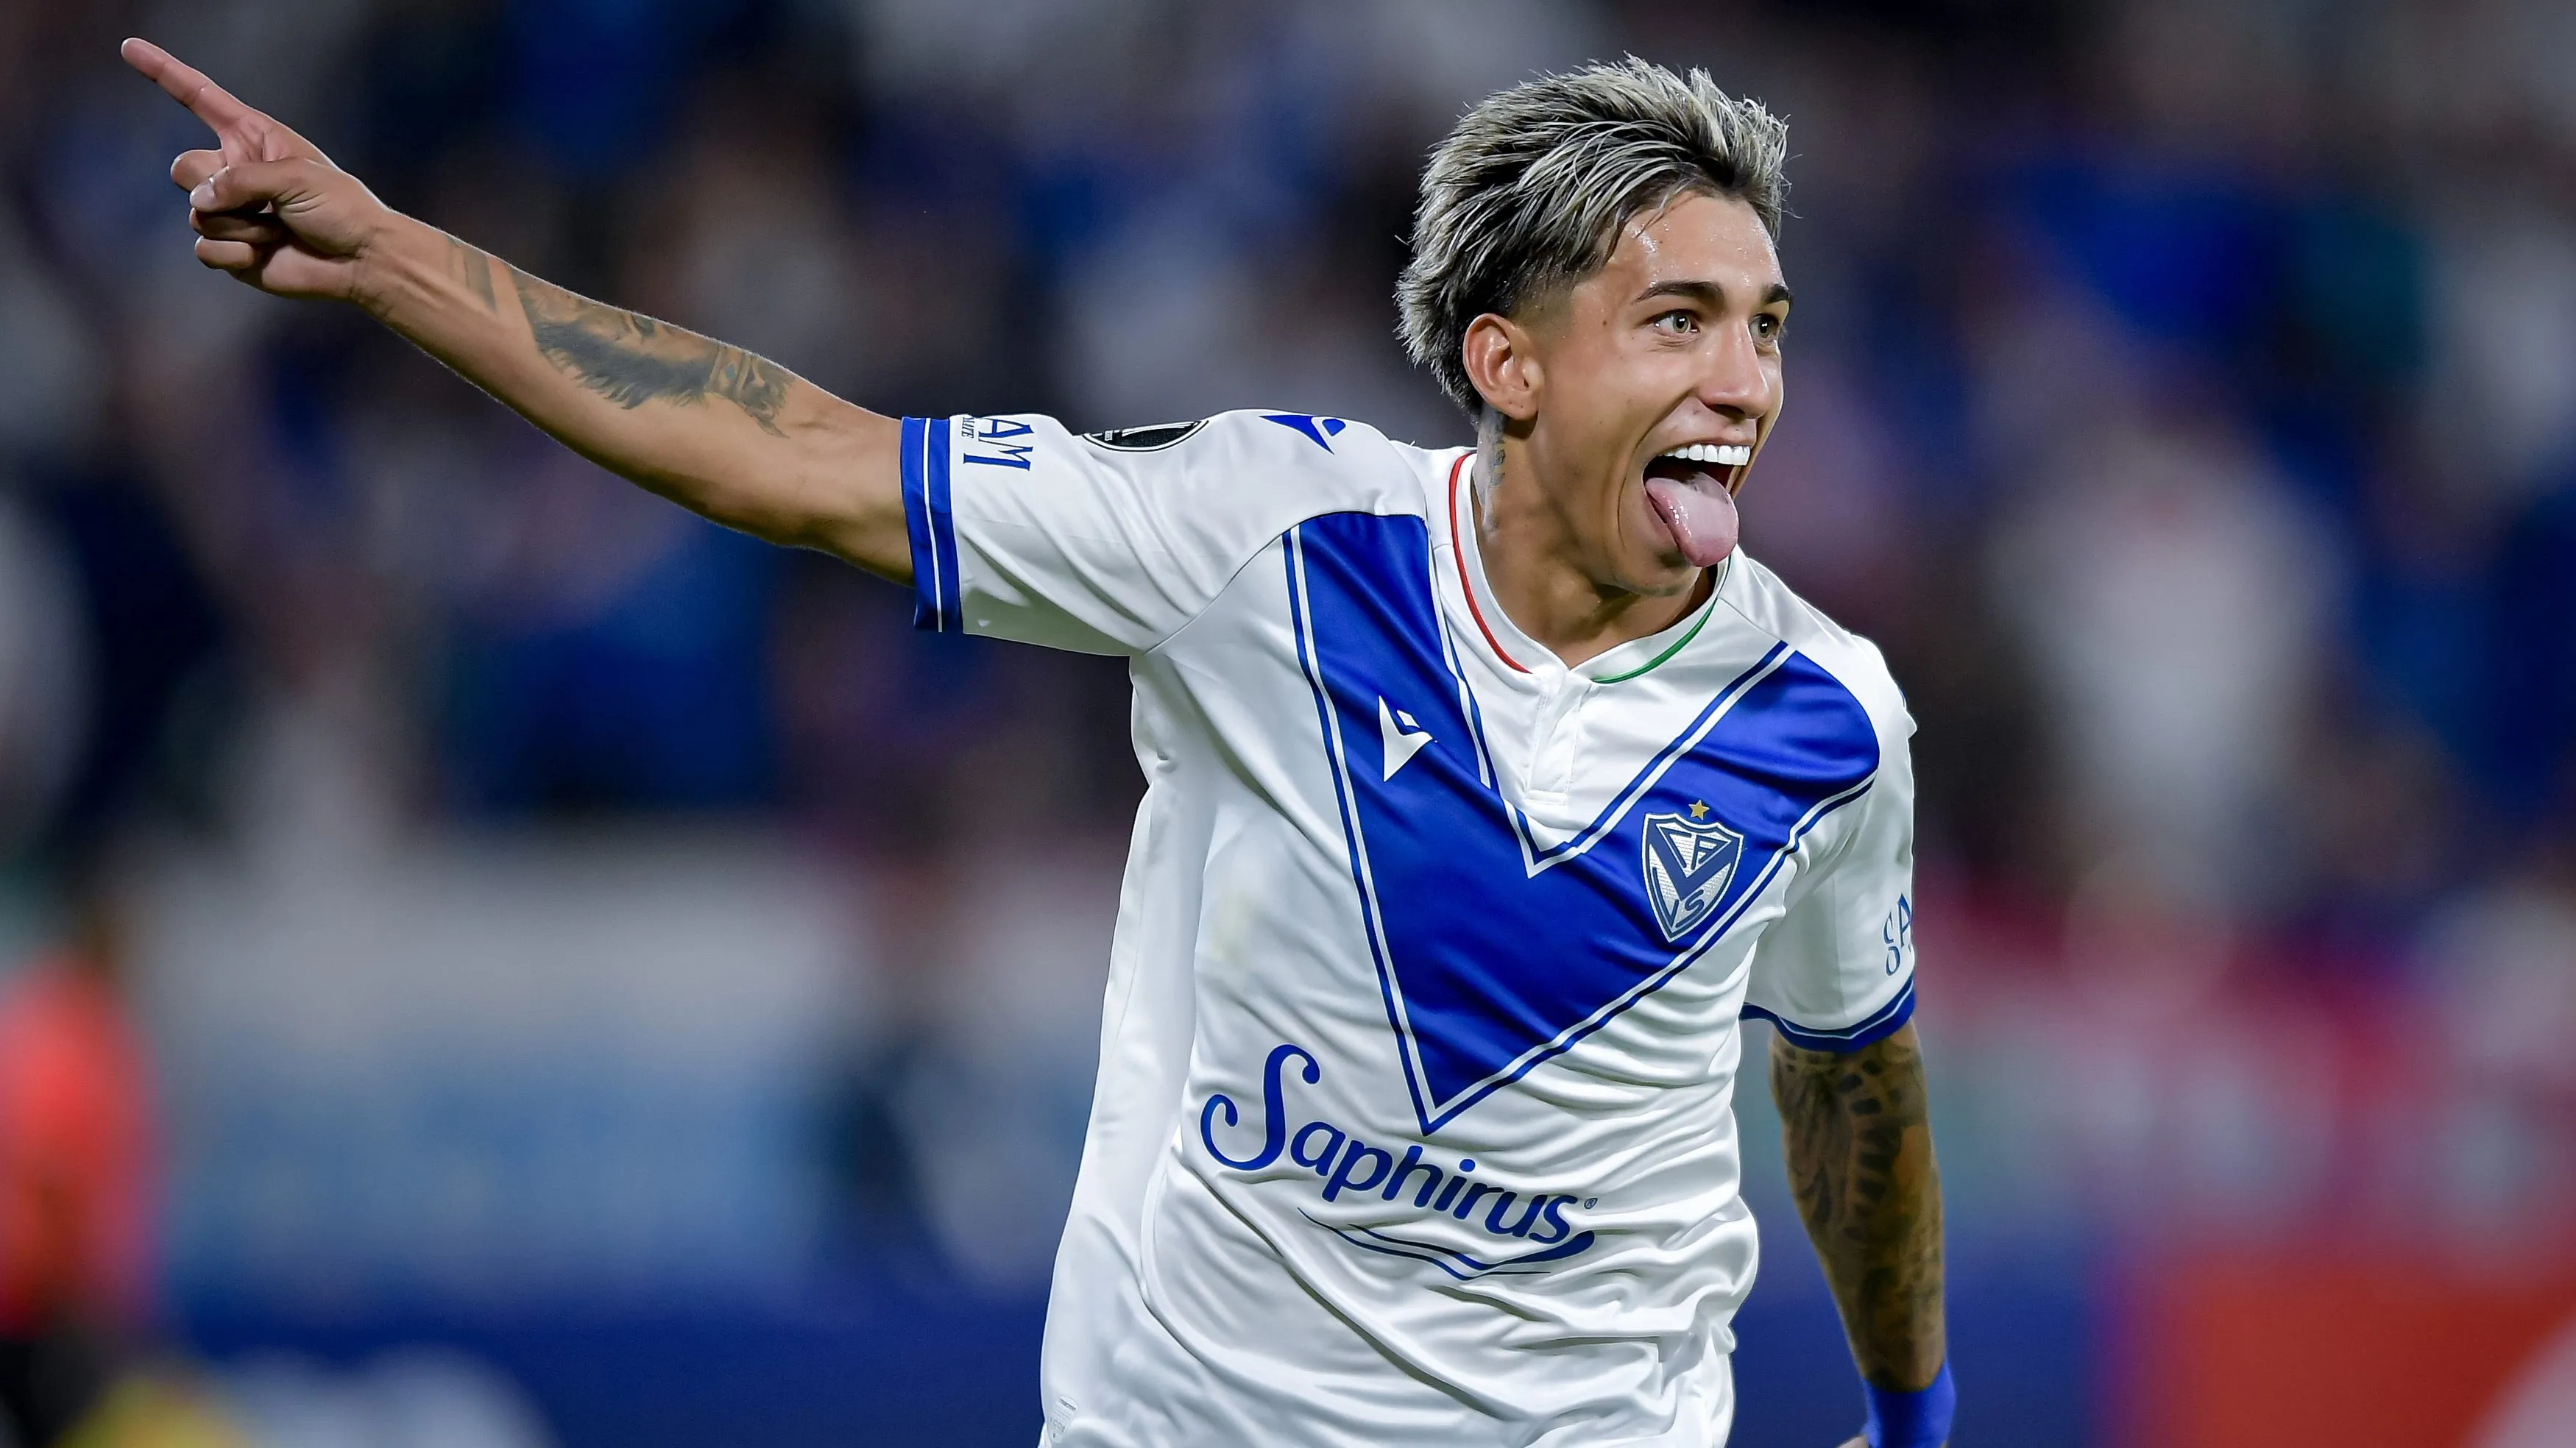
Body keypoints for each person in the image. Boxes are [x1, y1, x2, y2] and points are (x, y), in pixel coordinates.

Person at [121, 38, 1951, 1447]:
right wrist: (392, 263)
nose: (1746, 383)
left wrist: (1915, 1408)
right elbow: (805, 459)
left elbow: (1851, 1079)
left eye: (1767, 330)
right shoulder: (1267, 535)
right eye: (1681, 321)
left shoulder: (1825, 722)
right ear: (1509, 363)